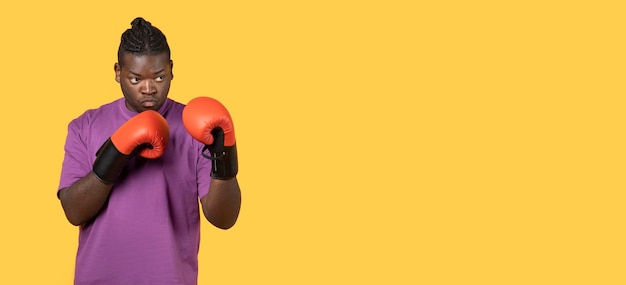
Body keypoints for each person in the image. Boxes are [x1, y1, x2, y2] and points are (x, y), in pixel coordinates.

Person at [57, 17, 242, 285]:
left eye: (159, 76)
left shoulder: (194, 126)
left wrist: (224, 153)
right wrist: (116, 152)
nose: (148, 88)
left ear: (171, 70)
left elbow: (224, 218)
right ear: (118, 72)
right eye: (135, 78)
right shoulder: (84, 126)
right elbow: (73, 212)